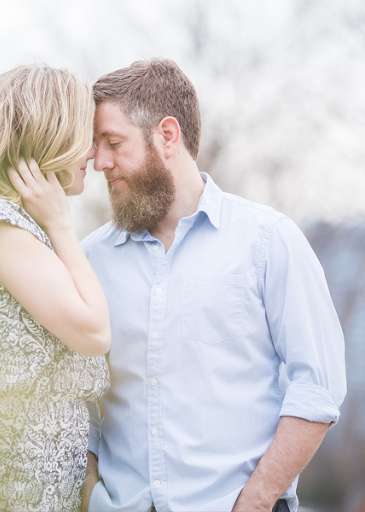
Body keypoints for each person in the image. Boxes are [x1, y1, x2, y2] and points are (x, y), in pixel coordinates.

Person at [80, 59, 347, 512]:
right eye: (96, 146)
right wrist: (91, 498)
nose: (99, 162)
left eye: (113, 143)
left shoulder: (269, 241)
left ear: (167, 136)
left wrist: (257, 501)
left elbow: (318, 386)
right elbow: (78, 405)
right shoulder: (91, 260)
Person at [0, 64, 111, 511]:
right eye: (82, 135)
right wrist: (62, 226)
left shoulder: (12, 227)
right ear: (49, 135)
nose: (91, 151)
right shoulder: (1, 225)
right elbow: (93, 332)